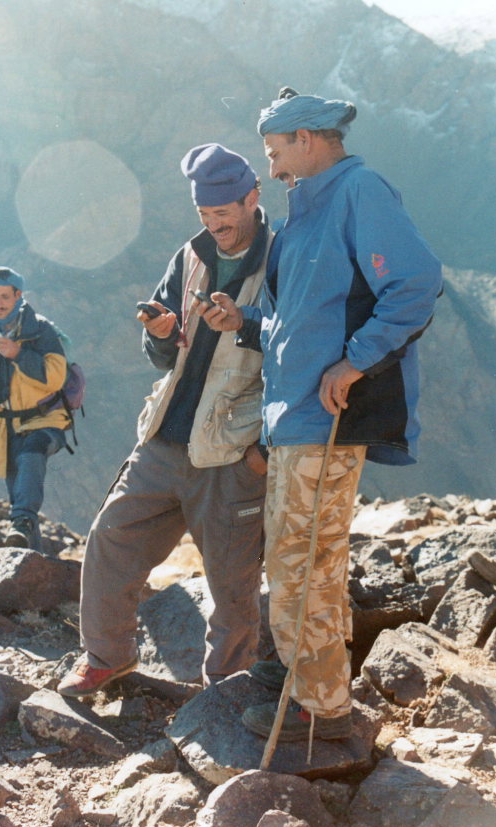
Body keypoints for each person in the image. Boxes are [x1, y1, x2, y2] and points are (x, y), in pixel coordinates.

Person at [196, 89, 443, 742]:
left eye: (277, 153)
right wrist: (243, 320)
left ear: (308, 138)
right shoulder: (301, 217)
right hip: (293, 418)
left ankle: (318, 709)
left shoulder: (360, 191)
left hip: (326, 417)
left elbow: (415, 283)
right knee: (304, 558)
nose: (272, 169)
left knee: (305, 561)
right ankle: (312, 692)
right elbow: (290, 321)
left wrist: (354, 361)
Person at [57, 143, 274, 697]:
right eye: (204, 215)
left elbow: (298, 348)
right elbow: (165, 351)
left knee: (231, 581)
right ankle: (107, 657)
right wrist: (160, 334)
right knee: (111, 538)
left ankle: (227, 688)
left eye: (223, 214)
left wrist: (262, 454)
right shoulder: (192, 254)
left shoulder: (284, 257)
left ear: (252, 198)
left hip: (232, 447)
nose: (214, 225)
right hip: (166, 434)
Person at [0, 267, 70, 550]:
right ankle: (27, 556)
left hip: (45, 419)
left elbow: (56, 378)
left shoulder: (40, 330)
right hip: (3, 429)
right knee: (18, 491)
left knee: (32, 452)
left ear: (18, 296)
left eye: (4, 297)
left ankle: (20, 523)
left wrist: (18, 354)